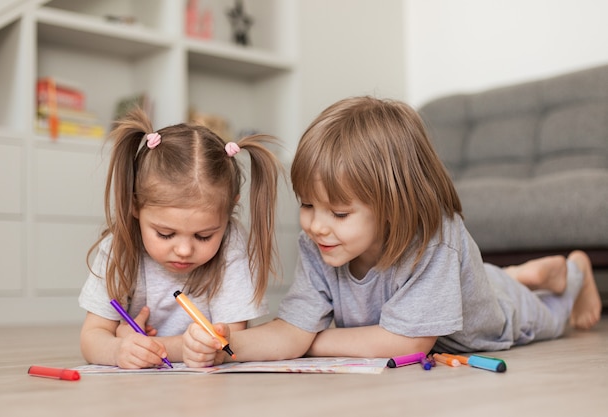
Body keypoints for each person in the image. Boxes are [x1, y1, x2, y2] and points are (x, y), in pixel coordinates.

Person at [182, 96, 602, 367]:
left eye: (340, 213)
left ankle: (572, 274)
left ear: (393, 206)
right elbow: (292, 330)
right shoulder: (321, 243)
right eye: (307, 205)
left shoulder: (434, 242)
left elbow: (407, 344)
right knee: (485, 279)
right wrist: (228, 347)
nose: (315, 224)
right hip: (463, 282)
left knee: (549, 316)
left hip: (492, 315)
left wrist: (316, 341)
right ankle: (524, 272)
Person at [79, 107, 283, 368]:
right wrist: (120, 349)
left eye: (204, 236)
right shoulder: (118, 248)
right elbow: (91, 338)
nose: (185, 250)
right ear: (135, 206)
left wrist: (156, 348)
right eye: (165, 234)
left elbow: (230, 341)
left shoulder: (230, 243)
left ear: (229, 213)